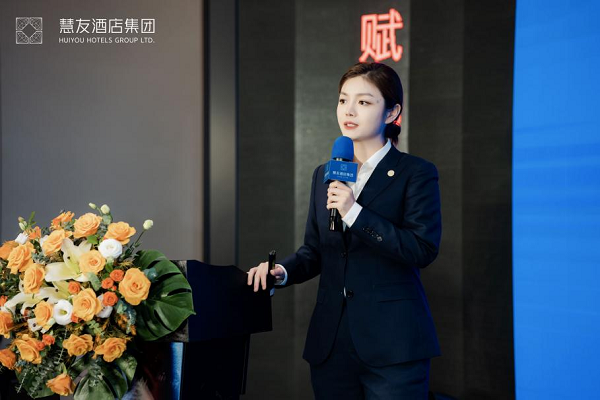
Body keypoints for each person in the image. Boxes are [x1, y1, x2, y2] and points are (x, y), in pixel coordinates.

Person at [247, 61, 442, 399]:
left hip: (394, 345)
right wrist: (282, 272)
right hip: (332, 343)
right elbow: (314, 251)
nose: (349, 110)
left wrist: (355, 212)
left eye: (363, 102)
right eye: (343, 100)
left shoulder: (416, 173)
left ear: (392, 112)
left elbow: (421, 249)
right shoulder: (325, 172)